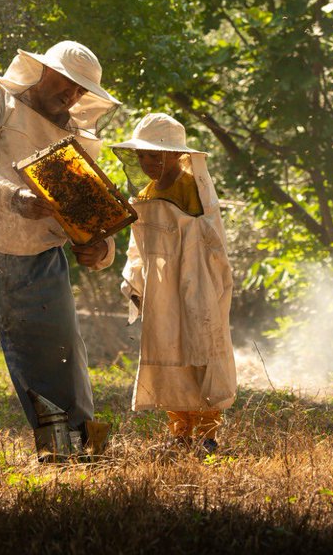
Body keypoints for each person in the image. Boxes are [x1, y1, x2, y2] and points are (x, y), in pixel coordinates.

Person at [0, 41, 120, 469]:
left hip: (39, 262)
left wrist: (99, 248)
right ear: (41, 71)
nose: (71, 96)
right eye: (66, 85)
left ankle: (70, 454)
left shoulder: (77, 141)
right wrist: (12, 197)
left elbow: (92, 217)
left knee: (60, 357)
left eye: (79, 92)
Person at [111, 112, 237, 452]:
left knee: (201, 349)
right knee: (170, 352)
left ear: (176, 156)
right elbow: (139, 246)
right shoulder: (148, 192)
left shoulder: (193, 189)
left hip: (196, 283)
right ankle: (180, 433)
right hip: (161, 287)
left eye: (155, 155)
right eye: (142, 156)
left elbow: (209, 244)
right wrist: (133, 283)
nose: (148, 163)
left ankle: (208, 435)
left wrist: (206, 288)